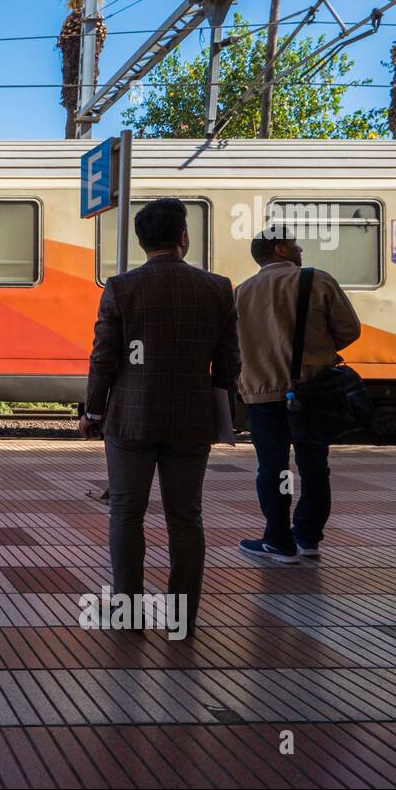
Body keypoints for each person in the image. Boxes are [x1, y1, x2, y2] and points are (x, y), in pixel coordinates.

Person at [78, 198, 240, 636]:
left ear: (140, 240)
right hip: (191, 420)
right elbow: (228, 363)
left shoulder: (121, 287)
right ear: (183, 238)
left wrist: (93, 410)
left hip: (130, 419)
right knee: (186, 516)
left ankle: (127, 610)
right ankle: (181, 617)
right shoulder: (218, 288)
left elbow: (104, 357)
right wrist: (225, 416)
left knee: (127, 513)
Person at [235, 227, 361, 563]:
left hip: (261, 394)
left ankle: (278, 540)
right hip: (312, 389)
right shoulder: (317, 281)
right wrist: (317, 350)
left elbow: (231, 345)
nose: (300, 249)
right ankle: (308, 538)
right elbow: (350, 329)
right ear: (279, 250)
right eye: (294, 244)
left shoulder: (241, 292)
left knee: (273, 468)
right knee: (315, 466)